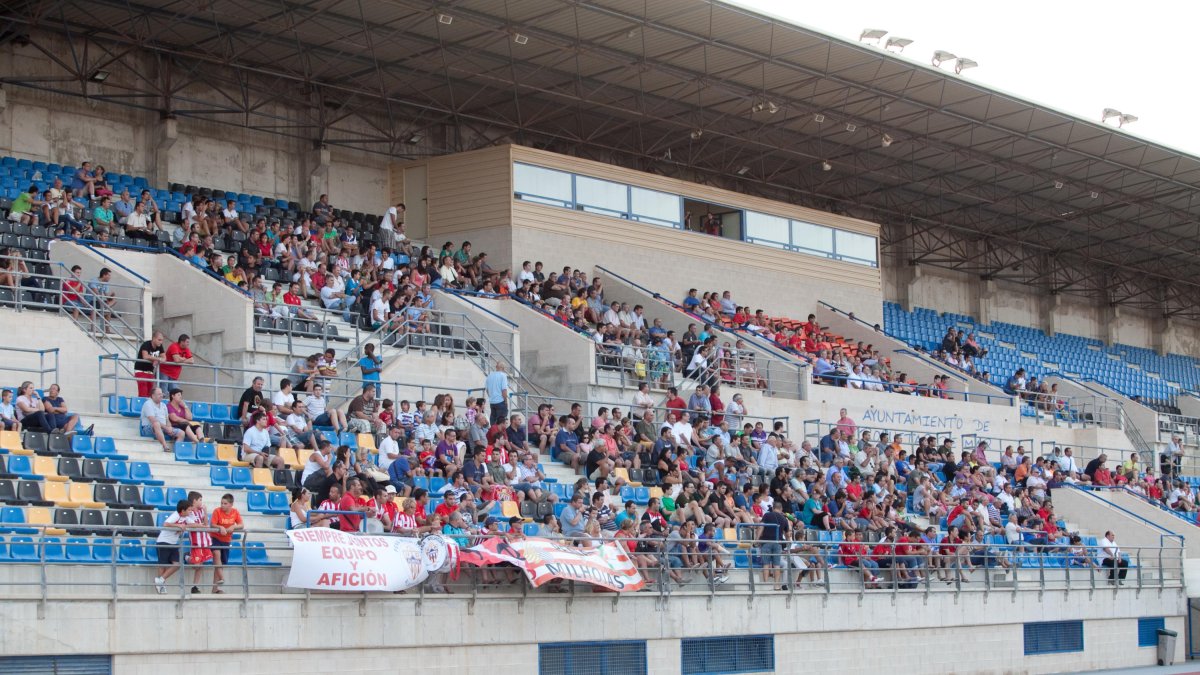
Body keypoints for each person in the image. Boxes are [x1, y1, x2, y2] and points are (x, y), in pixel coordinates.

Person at [154, 498, 192, 594]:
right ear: (183, 511)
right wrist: (178, 526)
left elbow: (193, 524)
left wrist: (204, 526)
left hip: (173, 543)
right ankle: (161, 587)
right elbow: (166, 524)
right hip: (163, 542)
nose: (190, 511)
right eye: (189, 510)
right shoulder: (176, 515)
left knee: (178, 563)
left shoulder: (185, 517)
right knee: (162, 565)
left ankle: (161, 580)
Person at [140, 387, 185, 452]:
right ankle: (165, 446)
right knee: (156, 424)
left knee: (181, 433)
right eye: (159, 394)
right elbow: (153, 420)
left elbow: (167, 420)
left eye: (161, 394)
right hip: (148, 429)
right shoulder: (148, 404)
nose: (161, 396)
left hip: (163, 428)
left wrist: (169, 427)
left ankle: (176, 452)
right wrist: (166, 428)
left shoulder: (163, 405)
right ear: (153, 395)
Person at [135, 331, 166, 397]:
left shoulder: (160, 346)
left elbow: (164, 358)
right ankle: (142, 406)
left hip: (150, 372)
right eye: (159, 340)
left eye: (162, 340)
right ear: (154, 338)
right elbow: (145, 356)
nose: (161, 342)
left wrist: (157, 360)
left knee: (150, 393)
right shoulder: (146, 344)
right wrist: (156, 359)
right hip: (141, 371)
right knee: (143, 392)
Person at [485, 361, 510, 426]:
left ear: (496, 367)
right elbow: (504, 390)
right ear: (503, 368)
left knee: (493, 421)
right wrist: (506, 401)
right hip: (500, 401)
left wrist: (491, 397)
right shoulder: (503, 375)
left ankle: (493, 434)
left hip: (492, 401)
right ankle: (498, 435)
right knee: (501, 422)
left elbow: (487, 390)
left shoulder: (490, 375)